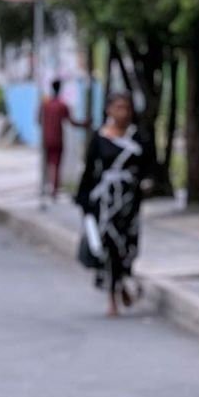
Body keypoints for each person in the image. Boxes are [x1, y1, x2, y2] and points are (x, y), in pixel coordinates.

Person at [75, 91, 145, 316]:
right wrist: (83, 200)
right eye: (118, 107)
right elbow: (90, 170)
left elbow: (147, 166)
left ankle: (124, 280)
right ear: (108, 110)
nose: (122, 113)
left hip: (130, 201)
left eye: (126, 108)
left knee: (129, 246)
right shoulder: (99, 138)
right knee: (109, 247)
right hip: (106, 203)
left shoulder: (138, 138)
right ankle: (112, 297)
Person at [39, 78, 87, 200]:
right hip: (57, 139)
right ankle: (53, 190)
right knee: (56, 164)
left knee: (48, 163)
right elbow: (72, 122)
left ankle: (46, 187)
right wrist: (84, 124)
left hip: (46, 139)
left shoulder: (45, 105)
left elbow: (39, 120)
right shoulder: (62, 105)